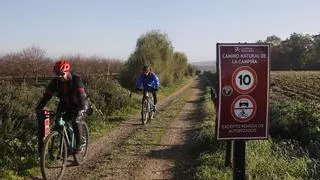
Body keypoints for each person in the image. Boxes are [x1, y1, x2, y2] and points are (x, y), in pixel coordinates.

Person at [35, 59, 89, 154]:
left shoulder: (76, 79)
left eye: (61, 74)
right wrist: (39, 108)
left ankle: (79, 145)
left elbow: (82, 95)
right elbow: (47, 96)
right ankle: (64, 145)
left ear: (67, 72)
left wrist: (82, 109)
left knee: (76, 120)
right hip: (64, 104)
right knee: (58, 122)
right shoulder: (55, 82)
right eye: (57, 74)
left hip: (79, 104)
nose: (59, 76)